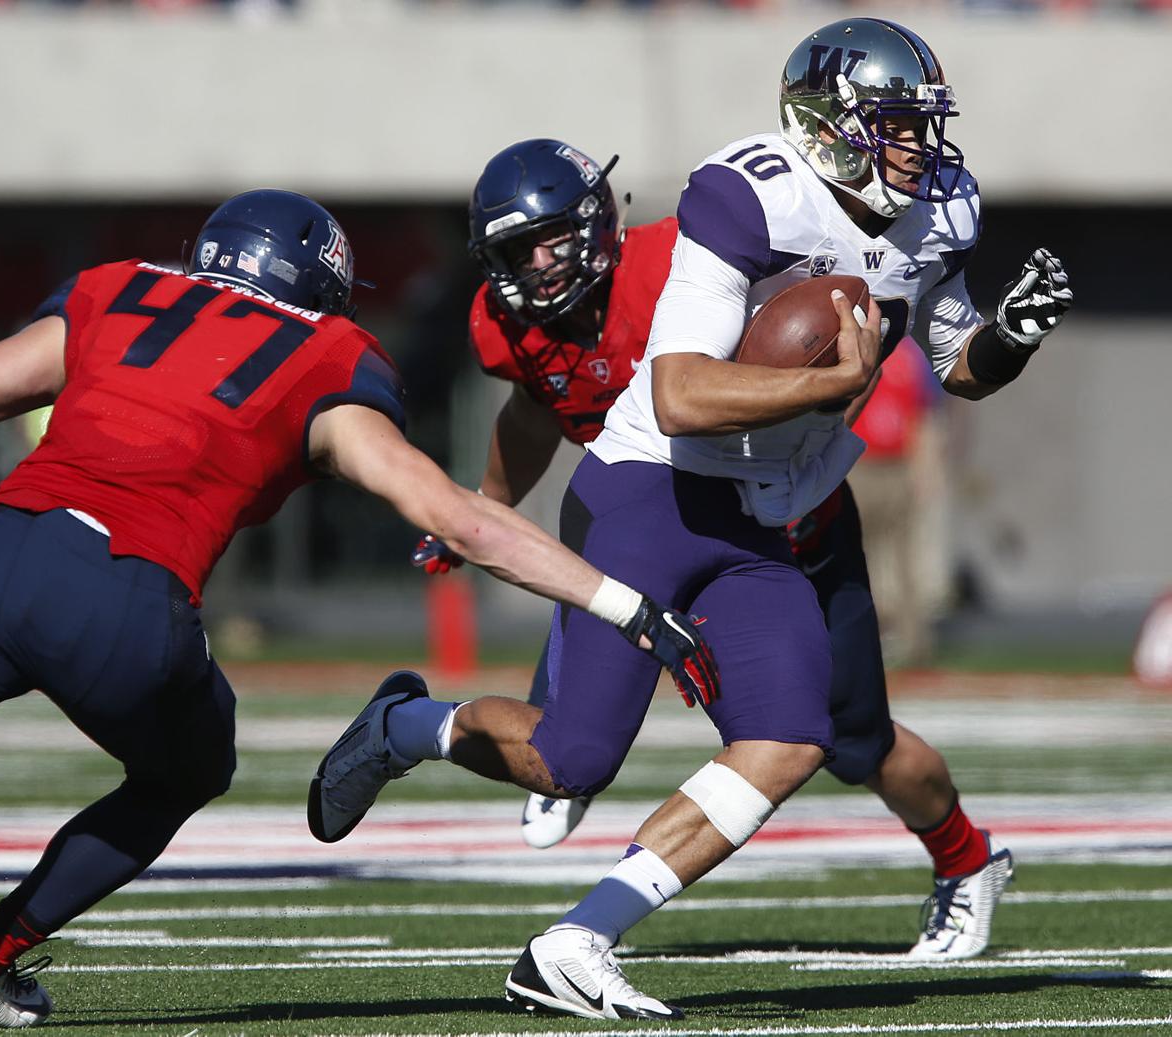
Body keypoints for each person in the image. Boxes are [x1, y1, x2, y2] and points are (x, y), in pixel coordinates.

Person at [311, 17, 1072, 1019]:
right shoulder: (749, 193)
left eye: (922, 126)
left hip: (771, 509)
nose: (917, 148)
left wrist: (1007, 342)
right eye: (894, 126)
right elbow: (677, 395)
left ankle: (575, 939)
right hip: (654, 492)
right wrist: (826, 383)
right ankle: (408, 721)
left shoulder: (941, 208)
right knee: (569, 757)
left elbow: (951, 360)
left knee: (796, 732)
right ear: (828, 124)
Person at [0, 190, 717, 1029]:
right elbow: (458, 520)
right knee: (190, 766)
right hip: (126, 599)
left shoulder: (117, 290)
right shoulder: (327, 352)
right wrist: (624, 605)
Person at [415, 135, 1020, 959]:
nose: (537, 264)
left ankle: (967, 858)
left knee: (851, 742)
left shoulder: (685, 255)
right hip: (662, 501)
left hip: (792, 515)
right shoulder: (510, 320)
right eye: (515, 249)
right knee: (583, 719)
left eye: (548, 238)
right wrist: (482, 508)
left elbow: (817, 321)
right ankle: (564, 752)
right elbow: (532, 412)